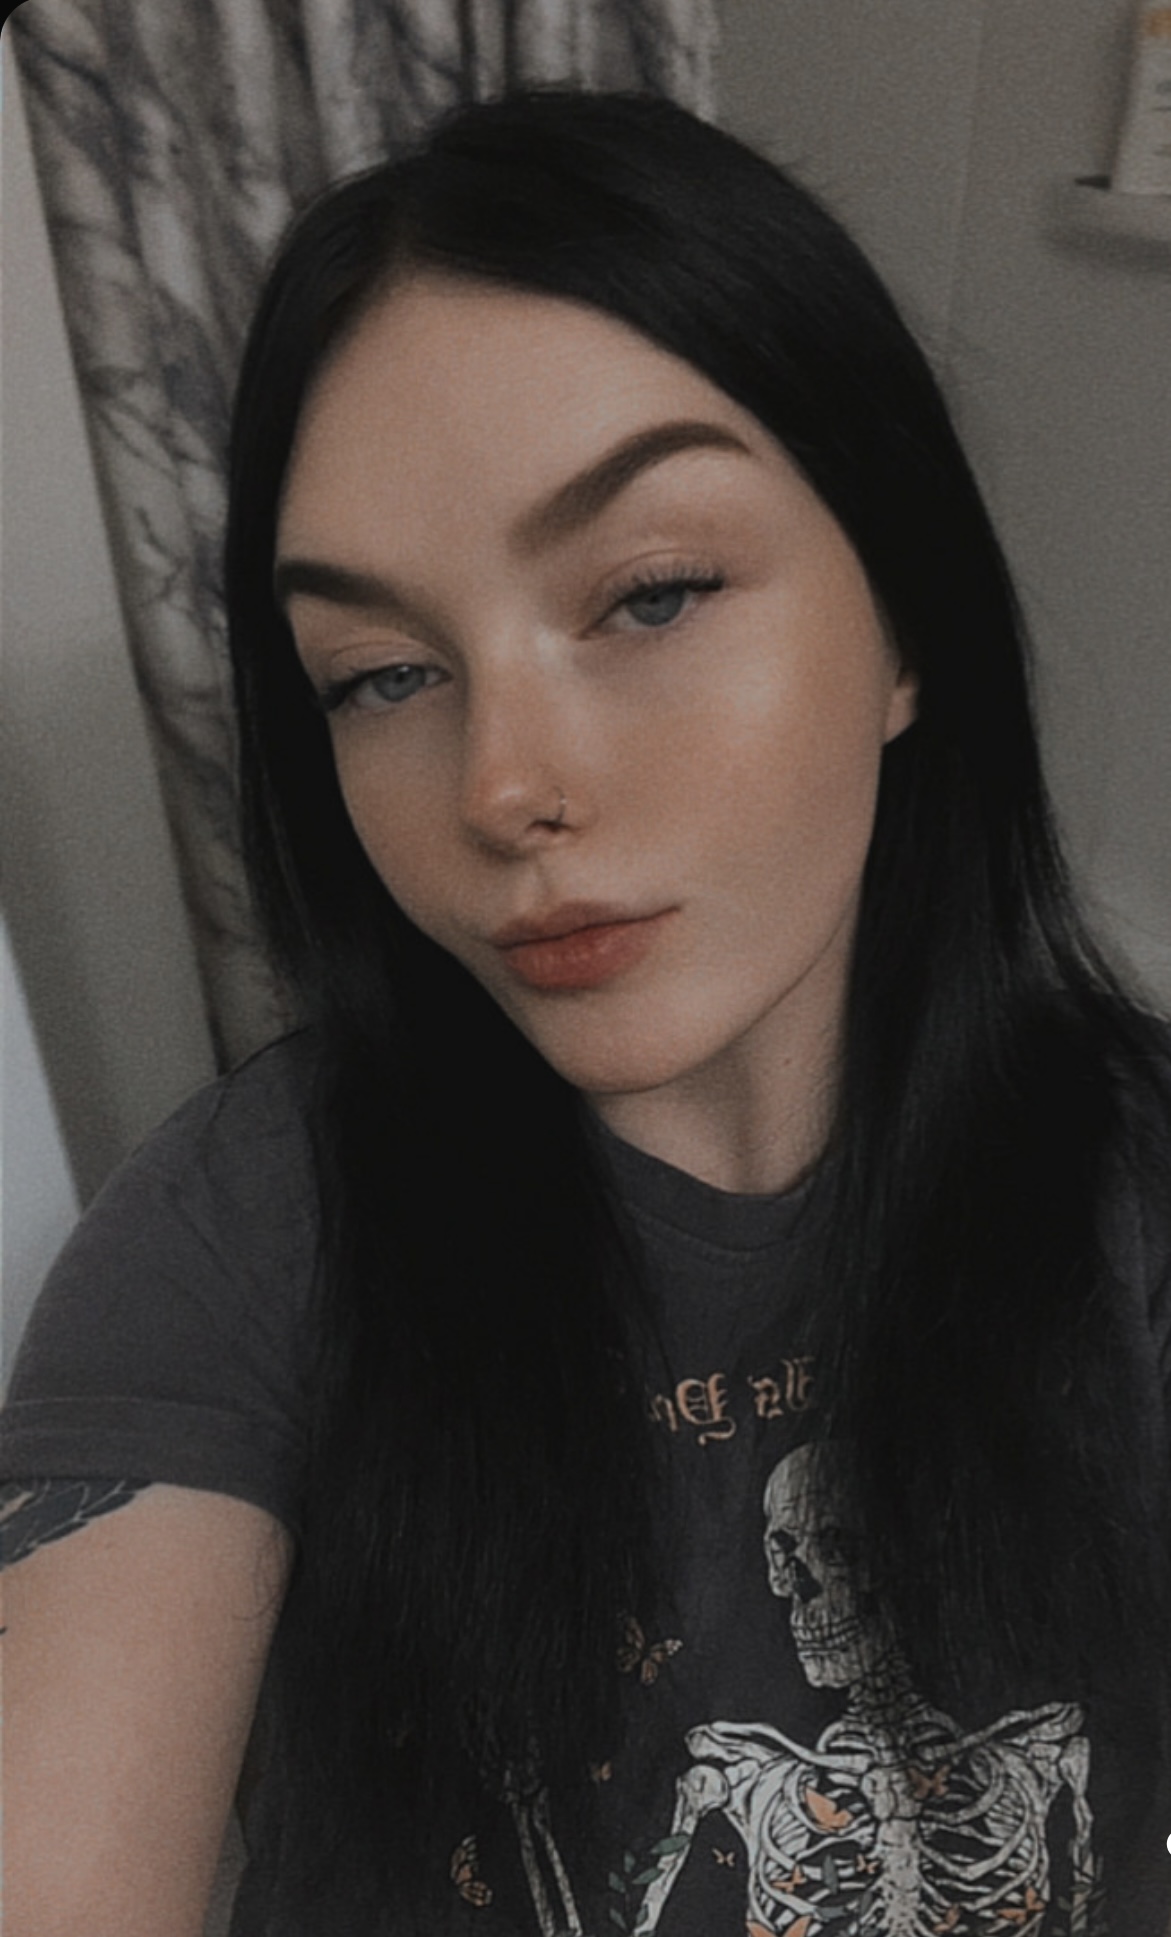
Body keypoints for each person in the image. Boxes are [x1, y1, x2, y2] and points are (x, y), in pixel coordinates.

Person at [3, 88, 1170, 1937]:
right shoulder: (241, 1248)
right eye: (383, 673)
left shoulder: (1134, 1189)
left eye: (651, 593)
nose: (503, 786)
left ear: (906, 624)